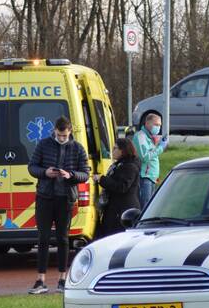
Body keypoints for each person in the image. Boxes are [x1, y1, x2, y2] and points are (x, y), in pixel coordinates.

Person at [27, 116, 90, 294]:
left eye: (64, 135)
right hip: (45, 197)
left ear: (70, 132)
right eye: (59, 135)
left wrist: (71, 175)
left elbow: (85, 173)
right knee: (43, 238)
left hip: (65, 198)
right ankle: (40, 280)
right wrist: (45, 173)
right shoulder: (43, 144)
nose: (61, 138)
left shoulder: (77, 148)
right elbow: (32, 167)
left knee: (63, 239)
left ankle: (63, 279)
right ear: (54, 130)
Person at [93, 137, 140, 238]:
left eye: (115, 148)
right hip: (115, 209)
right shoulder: (119, 164)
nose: (112, 151)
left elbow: (122, 187)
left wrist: (102, 179)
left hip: (123, 210)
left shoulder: (130, 166)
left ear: (123, 150)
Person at [134, 111, 168, 208]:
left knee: (150, 206)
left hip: (152, 177)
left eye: (160, 125)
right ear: (147, 123)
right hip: (145, 177)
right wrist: (160, 148)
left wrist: (157, 144)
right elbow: (145, 157)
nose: (158, 128)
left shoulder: (149, 137)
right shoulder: (140, 136)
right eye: (156, 124)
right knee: (145, 207)